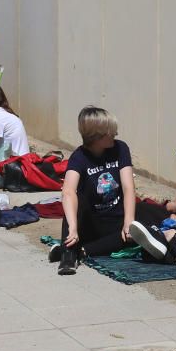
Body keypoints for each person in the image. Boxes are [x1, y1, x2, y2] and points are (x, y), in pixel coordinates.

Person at [54, 106, 136, 275]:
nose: (115, 134)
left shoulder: (120, 149)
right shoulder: (79, 157)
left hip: (115, 218)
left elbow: (128, 187)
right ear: (96, 137)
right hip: (92, 220)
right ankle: (68, 253)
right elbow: (68, 191)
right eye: (110, 131)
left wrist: (129, 221)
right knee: (74, 202)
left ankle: (82, 251)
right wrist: (73, 227)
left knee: (144, 223)